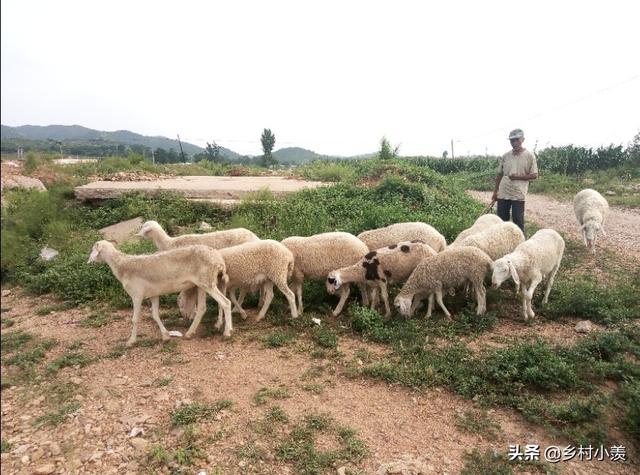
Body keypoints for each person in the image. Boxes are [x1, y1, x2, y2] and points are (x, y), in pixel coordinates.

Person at [491, 128, 538, 233]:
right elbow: (499, 174)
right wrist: (495, 191)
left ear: (523, 139)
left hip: (518, 193)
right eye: (512, 140)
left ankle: (520, 244)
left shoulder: (529, 156)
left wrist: (517, 177)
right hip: (504, 192)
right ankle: (502, 243)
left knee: (518, 220)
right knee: (501, 220)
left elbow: (534, 175)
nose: (514, 143)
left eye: (517, 140)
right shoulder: (506, 156)